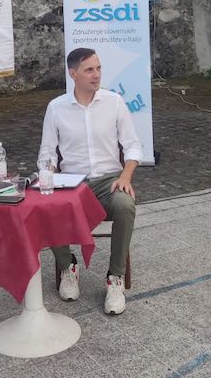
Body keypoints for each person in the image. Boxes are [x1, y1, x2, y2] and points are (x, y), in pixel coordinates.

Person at [38, 48, 143, 315]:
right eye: (89, 70)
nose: (96, 75)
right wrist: (48, 175)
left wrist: (126, 176)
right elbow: (47, 153)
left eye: (98, 68)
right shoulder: (56, 108)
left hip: (109, 181)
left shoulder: (114, 102)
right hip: (73, 183)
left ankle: (115, 277)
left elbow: (132, 145)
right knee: (46, 207)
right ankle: (67, 266)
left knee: (125, 205)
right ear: (73, 74)